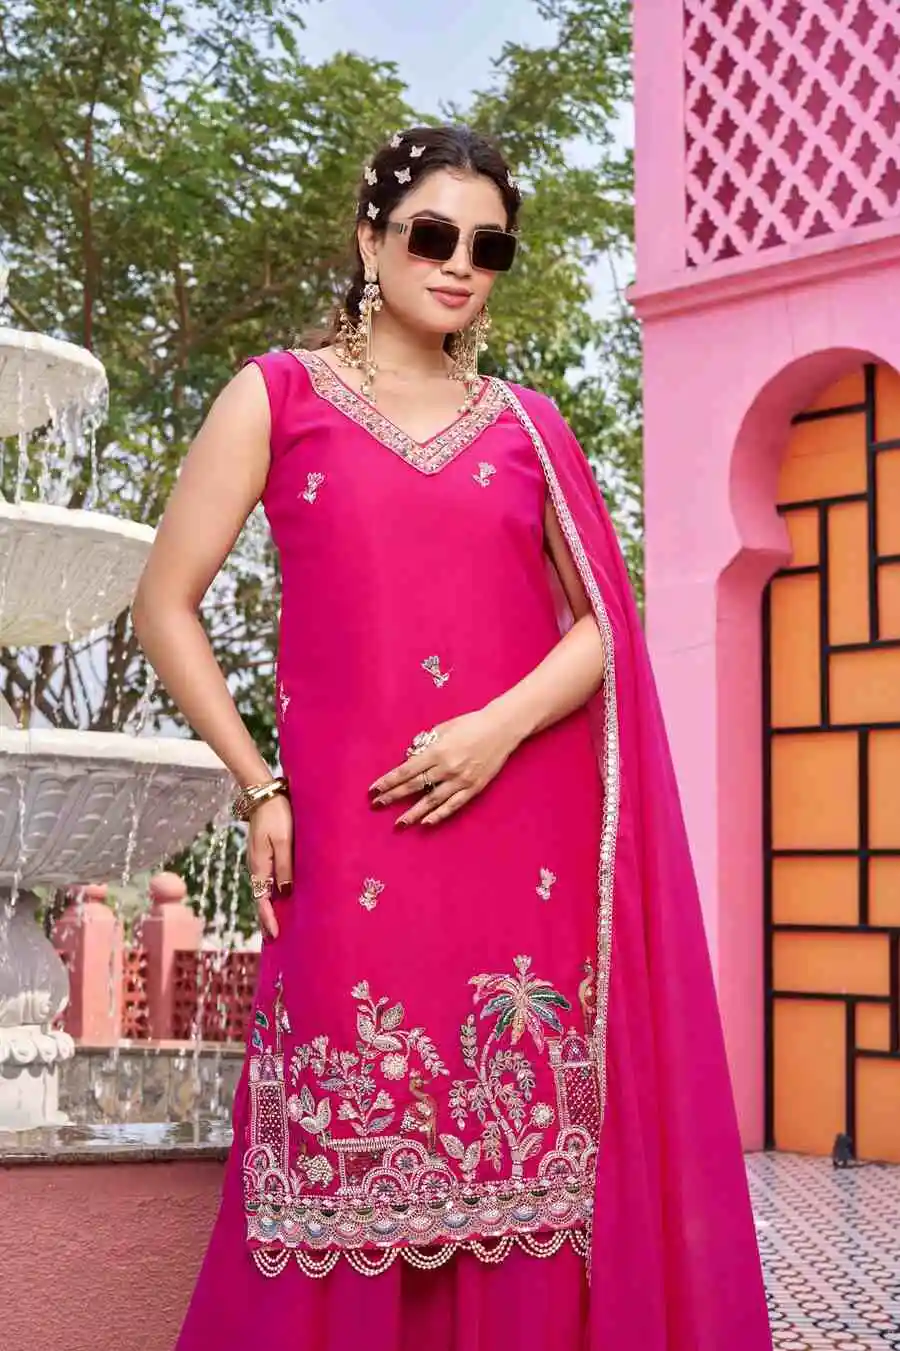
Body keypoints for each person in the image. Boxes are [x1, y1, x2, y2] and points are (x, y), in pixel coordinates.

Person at [133, 124, 772, 1351]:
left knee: (523, 1161)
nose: (460, 264)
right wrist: (260, 784)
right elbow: (166, 604)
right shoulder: (279, 396)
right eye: (432, 235)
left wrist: (494, 727)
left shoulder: (529, 426)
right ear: (370, 240)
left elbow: (604, 625)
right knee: (341, 1153)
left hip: (518, 843)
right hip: (351, 842)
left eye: (489, 247)